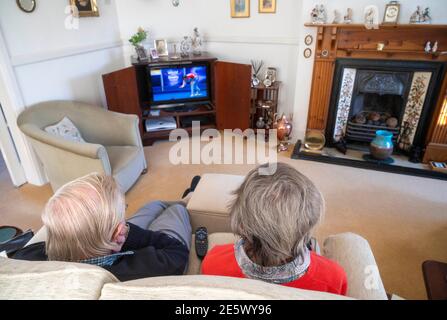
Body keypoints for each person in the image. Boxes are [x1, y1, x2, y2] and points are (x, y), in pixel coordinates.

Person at [13, 173, 192, 282]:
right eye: (124, 211)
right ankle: (188, 197)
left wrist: (115, 230)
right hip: (144, 245)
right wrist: (121, 231)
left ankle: (186, 196)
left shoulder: (25, 257)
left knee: (154, 204)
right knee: (176, 210)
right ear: (119, 232)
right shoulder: (136, 270)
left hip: (108, 240)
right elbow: (177, 250)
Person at [201, 163, 348, 296]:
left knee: (195, 184)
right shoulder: (333, 279)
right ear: (309, 225)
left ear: (241, 224)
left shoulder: (213, 262)